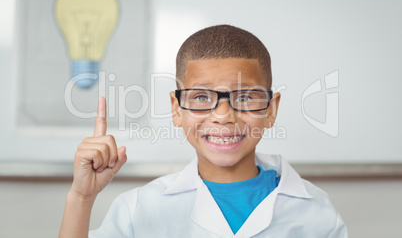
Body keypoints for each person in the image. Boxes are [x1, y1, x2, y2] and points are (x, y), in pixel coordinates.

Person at [59, 25, 348, 237]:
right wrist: (81, 199)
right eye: (200, 97)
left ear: (271, 109)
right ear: (176, 108)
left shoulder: (318, 215)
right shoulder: (138, 210)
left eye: (245, 97)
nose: (223, 116)